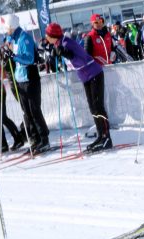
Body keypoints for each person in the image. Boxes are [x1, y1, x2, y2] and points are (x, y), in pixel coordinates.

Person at [45, 23, 113, 153]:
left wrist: (67, 54)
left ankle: (106, 138)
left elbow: (82, 59)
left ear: (53, 35)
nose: (46, 37)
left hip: (94, 73)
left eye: (47, 34)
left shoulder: (67, 43)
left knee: (98, 106)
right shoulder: (59, 43)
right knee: (93, 107)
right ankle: (100, 136)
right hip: (86, 77)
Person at [2, 13, 50, 153]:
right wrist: (7, 55)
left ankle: (44, 139)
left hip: (30, 79)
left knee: (35, 111)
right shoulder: (13, 39)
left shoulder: (24, 38)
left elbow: (29, 59)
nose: (6, 30)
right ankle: (35, 139)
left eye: (7, 28)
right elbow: (13, 57)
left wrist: (14, 56)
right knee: (27, 113)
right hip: (20, 79)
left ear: (12, 27)